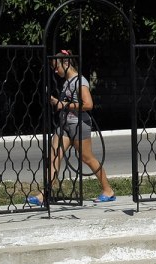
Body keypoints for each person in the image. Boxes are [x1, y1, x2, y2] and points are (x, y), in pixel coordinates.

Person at [28, 50, 114, 205]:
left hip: (79, 125)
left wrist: (63, 104)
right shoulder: (67, 82)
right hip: (65, 125)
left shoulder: (79, 81)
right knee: (54, 157)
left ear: (66, 63)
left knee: (87, 158)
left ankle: (108, 190)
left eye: (56, 67)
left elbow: (88, 105)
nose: (55, 70)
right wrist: (56, 102)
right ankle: (44, 195)